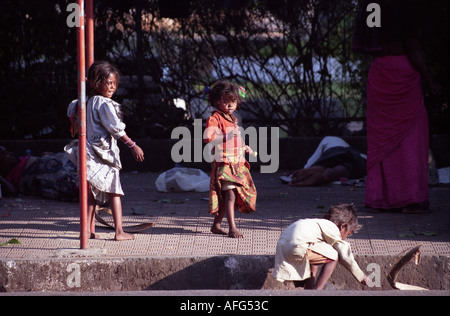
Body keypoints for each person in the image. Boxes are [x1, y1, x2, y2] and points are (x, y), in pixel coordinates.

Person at [353, 0, 442, 213]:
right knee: (411, 139)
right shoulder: (403, 6)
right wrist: (431, 80)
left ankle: (381, 197)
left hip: (380, 72)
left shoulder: (371, 6)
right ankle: (410, 199)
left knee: (382, 139)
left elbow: (370, 39)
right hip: (402, 73)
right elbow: (412, 46)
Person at [65, 61, 145, 241]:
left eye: (114, 83)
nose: (111, 87)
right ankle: (119, 231)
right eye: (107, 83)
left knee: (91, 194)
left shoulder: (85, 101)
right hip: (103, 155)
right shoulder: (104, 104)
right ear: (96, 83)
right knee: (114, 192)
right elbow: (115, 128)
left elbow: (72, 111)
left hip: (89, 154)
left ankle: (86, 230)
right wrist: (132, 145)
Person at [204, 80, 257, 238]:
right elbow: (208, 137)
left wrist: (244, 147)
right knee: (231, 195)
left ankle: (216, 225)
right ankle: (233, 228)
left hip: (237, 164)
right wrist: (226, 136)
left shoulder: (233, 118)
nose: (230, 105)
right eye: (225, 102)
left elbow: (236, 138)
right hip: (224, 164)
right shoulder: (214, 119)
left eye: (233, 101)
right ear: (216, 101)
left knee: (232, 197)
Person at [273, 203, 369, 290]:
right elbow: (345, 255)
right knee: (334, 255)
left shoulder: (316, 223)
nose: (344, 239)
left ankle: (309, 289)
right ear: (342, 226)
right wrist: (361, 276)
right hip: (297, 247)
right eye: (347, 234)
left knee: (320, 254)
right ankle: (318, 290)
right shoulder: (332, 228)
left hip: (283, 247)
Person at [283, 136, 366, 187]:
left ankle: (321, 168)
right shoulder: (362, 157)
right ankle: (327, 175)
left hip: (336, 151)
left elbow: (319, 152)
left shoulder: (336, 144)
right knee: (344, 169)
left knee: (330, 140)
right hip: (359, 163)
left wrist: (308, 167)